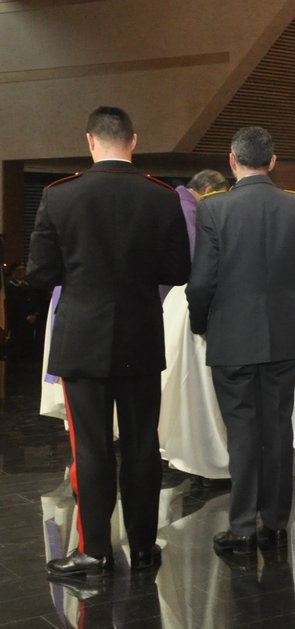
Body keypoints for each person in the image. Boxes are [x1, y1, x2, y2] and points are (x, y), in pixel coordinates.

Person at [26, 107, 190, 581]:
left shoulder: (61, 195)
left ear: (90, 142)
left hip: (82, 337)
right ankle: (142, 548)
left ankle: (94, 551)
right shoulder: (161, 196)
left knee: (92, 448)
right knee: (141, 444)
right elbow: (179, 270)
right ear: (133, 140)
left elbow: (39, 272)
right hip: (140, 332)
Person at [189, 126, 295, 554]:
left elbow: (201, 282)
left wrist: (199, 324)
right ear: (272, 161)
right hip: (282, 334)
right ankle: (277, 523)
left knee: (243, 432)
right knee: (278, 427)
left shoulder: (214, 208)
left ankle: (243, 526)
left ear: (232, 161)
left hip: (231, 335)